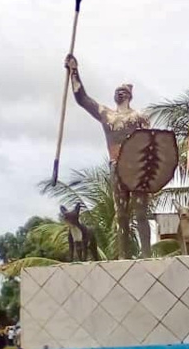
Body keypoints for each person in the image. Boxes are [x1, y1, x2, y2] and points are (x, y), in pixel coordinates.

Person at [64, 53, 152, 259]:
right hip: (116, 166)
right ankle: (123, 255)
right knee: (121, 214)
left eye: (123, 91)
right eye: (117, 91)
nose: (119, 94)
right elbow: (82, 99)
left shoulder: (139, 117)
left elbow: (151, 144)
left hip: (137, 166)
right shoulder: (107, 114)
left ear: (130, 95)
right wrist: (74, 71)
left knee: (140, 211)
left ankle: (146, 254)